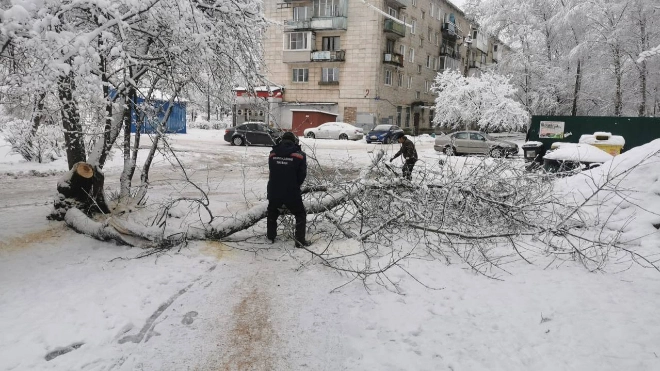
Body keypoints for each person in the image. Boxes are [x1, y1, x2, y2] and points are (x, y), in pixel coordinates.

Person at [266, 131, 310, 248]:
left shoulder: (272, 153)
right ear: (294, 141)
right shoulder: (300, 155)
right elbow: (302, 175)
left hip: (274, 189)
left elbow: (272, 171)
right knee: (300, 214)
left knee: (272, 211)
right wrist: (295, 185)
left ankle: (270, 237)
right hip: (291, 191)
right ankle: (299, 241)